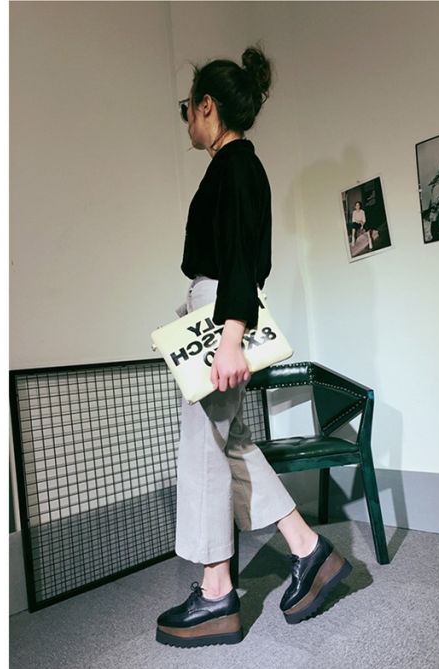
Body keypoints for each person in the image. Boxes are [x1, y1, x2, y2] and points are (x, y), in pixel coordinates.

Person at [156, 46, 352, 648]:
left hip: (222, 313)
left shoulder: (237, 165)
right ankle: (308, 549)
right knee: (230, 441)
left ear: (207, 106)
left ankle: (217, 591)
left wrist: (230, 337)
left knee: (204, 446)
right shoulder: (235, 165)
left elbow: (241, 259)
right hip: (218, 311)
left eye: (188, 108)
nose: (186, 120)